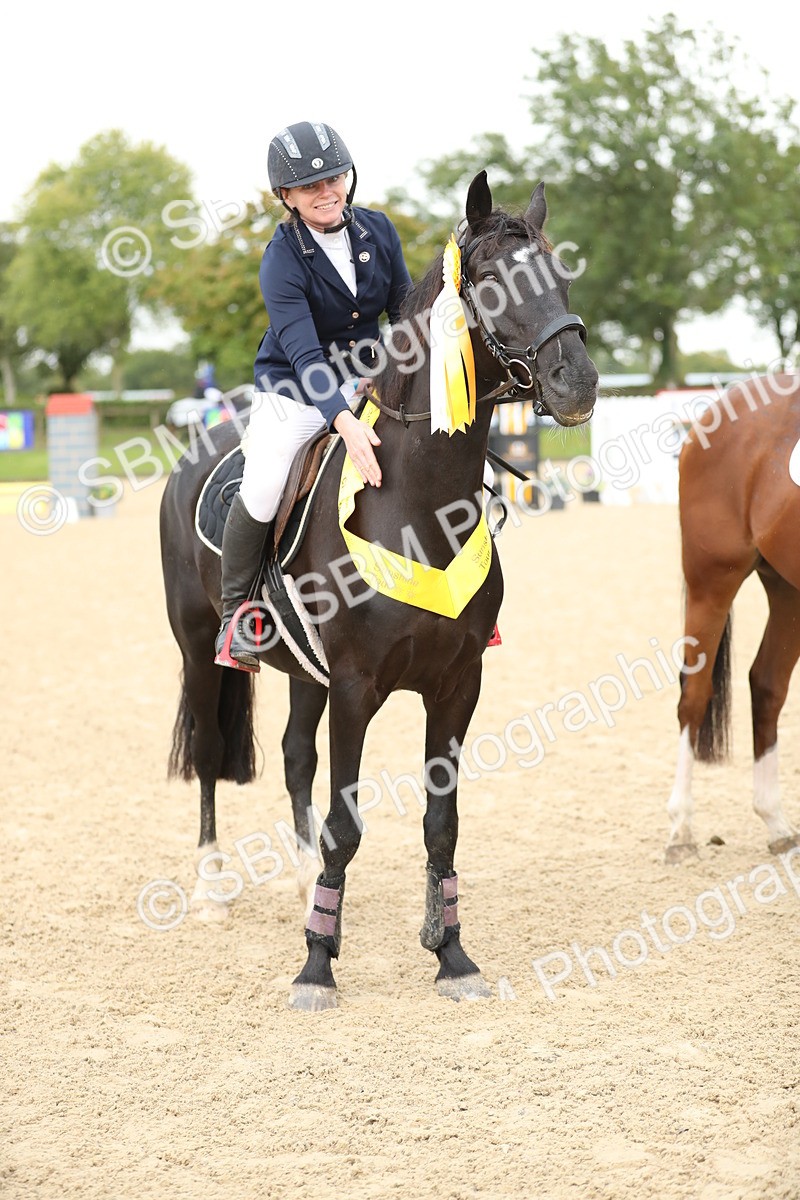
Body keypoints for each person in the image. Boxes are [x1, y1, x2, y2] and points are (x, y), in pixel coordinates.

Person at [214, 121, 413, 670]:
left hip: (368, 378)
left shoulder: (379, 229)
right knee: (266, 476)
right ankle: (238, 617)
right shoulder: (281, 259)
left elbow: (403, 314)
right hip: (295, 391)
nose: (326, 192)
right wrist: (345, 421)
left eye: (333, 178)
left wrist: (396, 367)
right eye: (309, 186)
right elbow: (304, 356)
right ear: (287, 197)